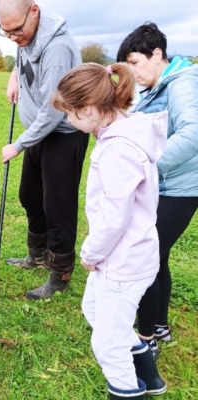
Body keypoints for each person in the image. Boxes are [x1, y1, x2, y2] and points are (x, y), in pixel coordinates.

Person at [52, 62, 167, 399]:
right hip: (125, 255)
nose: (69, 122)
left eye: (69, 114)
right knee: (93, 309)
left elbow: (115, 217)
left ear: (88, 110)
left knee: (107, 344)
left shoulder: (118, 150)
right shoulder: (120, 134)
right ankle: (152, 379)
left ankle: (128, 388)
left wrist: (90, 253)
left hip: (122, 261)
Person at [0, 0, 89, 299]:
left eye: (16, 30)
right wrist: (14, 75)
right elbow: (22, 57)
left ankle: (60, 272)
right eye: (6, 32)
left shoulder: (58, 49)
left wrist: (18, 145)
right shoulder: (26, 33)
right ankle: (37, 255)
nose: (13, 37)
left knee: (58, 207)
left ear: (34, 11)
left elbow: (53, 113)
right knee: (30, 196)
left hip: (62, 134)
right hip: (39, 134)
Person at [117, 22, 198, 359]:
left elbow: (193, 134)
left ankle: (146, 338)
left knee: (145, 256)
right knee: (158, 253)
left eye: (134, 63)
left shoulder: (183, 83)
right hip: (160, 186)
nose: (132, 72)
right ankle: (160, 324)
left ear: (157, 54)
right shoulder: (153, 85)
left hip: (179, 189)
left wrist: (144, 166)